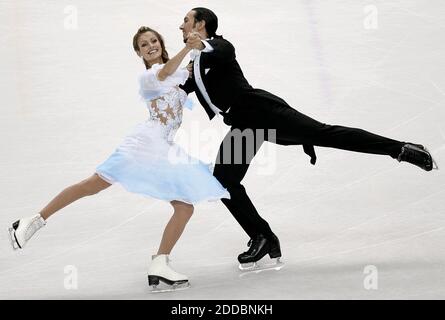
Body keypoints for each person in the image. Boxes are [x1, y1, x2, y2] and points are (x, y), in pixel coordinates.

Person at [179, 7, 438, 268]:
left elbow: (220, 51)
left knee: (326, 133)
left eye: (187, 21)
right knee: (223, 181)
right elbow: (177, 89)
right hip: (244, 124)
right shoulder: (195, 64)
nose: (181, 26)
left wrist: (202, 43)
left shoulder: (219, 46)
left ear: (201, 24)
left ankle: (401, 149)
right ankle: (263, 236)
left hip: (262, 110)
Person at [8, 26, 230, 289]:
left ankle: (160, 262)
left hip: (164, 149)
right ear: (139, 52)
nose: (150, 46)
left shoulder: (179, 73)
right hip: (144, 144)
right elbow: (166, 72)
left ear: (161, 43)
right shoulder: (149, 77)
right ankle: (33, 221)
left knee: (184, 207)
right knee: (91, 186)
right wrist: (186, 48)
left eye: (154, 41)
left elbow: (197, 66)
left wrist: (201, 43)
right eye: (144, 45)